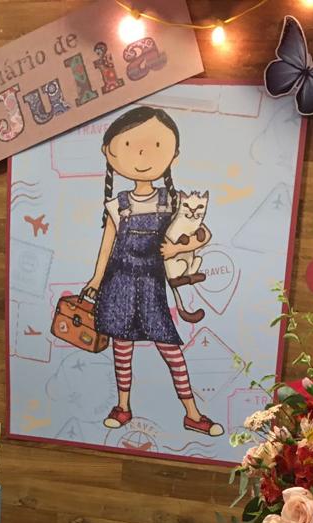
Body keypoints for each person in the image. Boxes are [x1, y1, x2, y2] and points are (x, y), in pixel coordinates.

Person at [84, 106, 223, 438]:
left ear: (174, 155)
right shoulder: (116, 205)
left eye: (157, 146)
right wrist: (95, 281)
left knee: (170, 348)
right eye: (129, 146)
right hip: (118, 284)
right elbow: (106, 246)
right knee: (122, 348)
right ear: (110, 153)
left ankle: (192, 414)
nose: (143, 155)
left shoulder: (173, 202)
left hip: (151, 287)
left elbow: (203, 234)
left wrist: (176, 250)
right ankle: (123, 407)